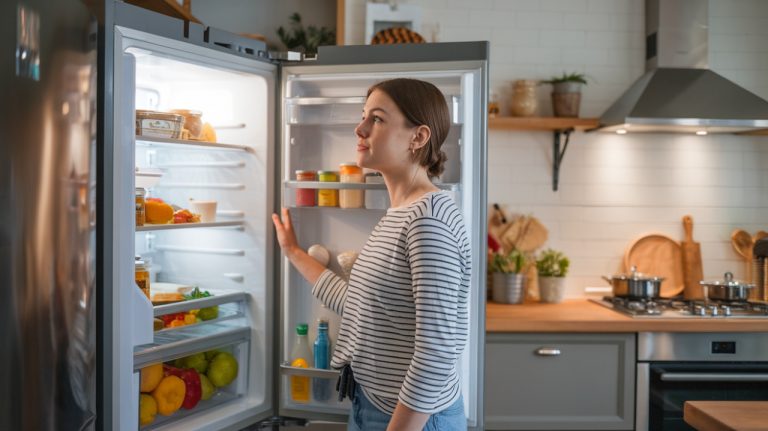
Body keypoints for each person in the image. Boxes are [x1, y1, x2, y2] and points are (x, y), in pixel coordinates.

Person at [272, 78, 471, 431]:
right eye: (364, 116)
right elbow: (361, 305)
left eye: (376, 119)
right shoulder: (401, 214)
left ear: (418, 137)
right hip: (376, 405)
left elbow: (436, 355)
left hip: (413, 419)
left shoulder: (429, 220)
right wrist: (292, 251)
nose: (359, 128)